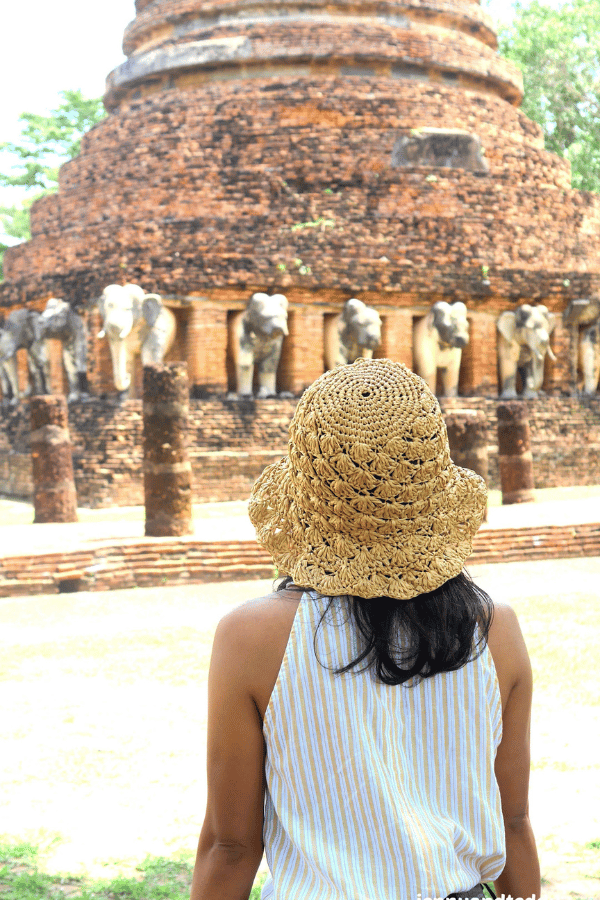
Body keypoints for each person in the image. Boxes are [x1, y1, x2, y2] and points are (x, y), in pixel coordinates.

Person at [189, 358, 540, 900]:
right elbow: (512, 822)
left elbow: (231, 847)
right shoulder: (495, 632)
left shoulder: (251, 638)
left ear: (307, 485)